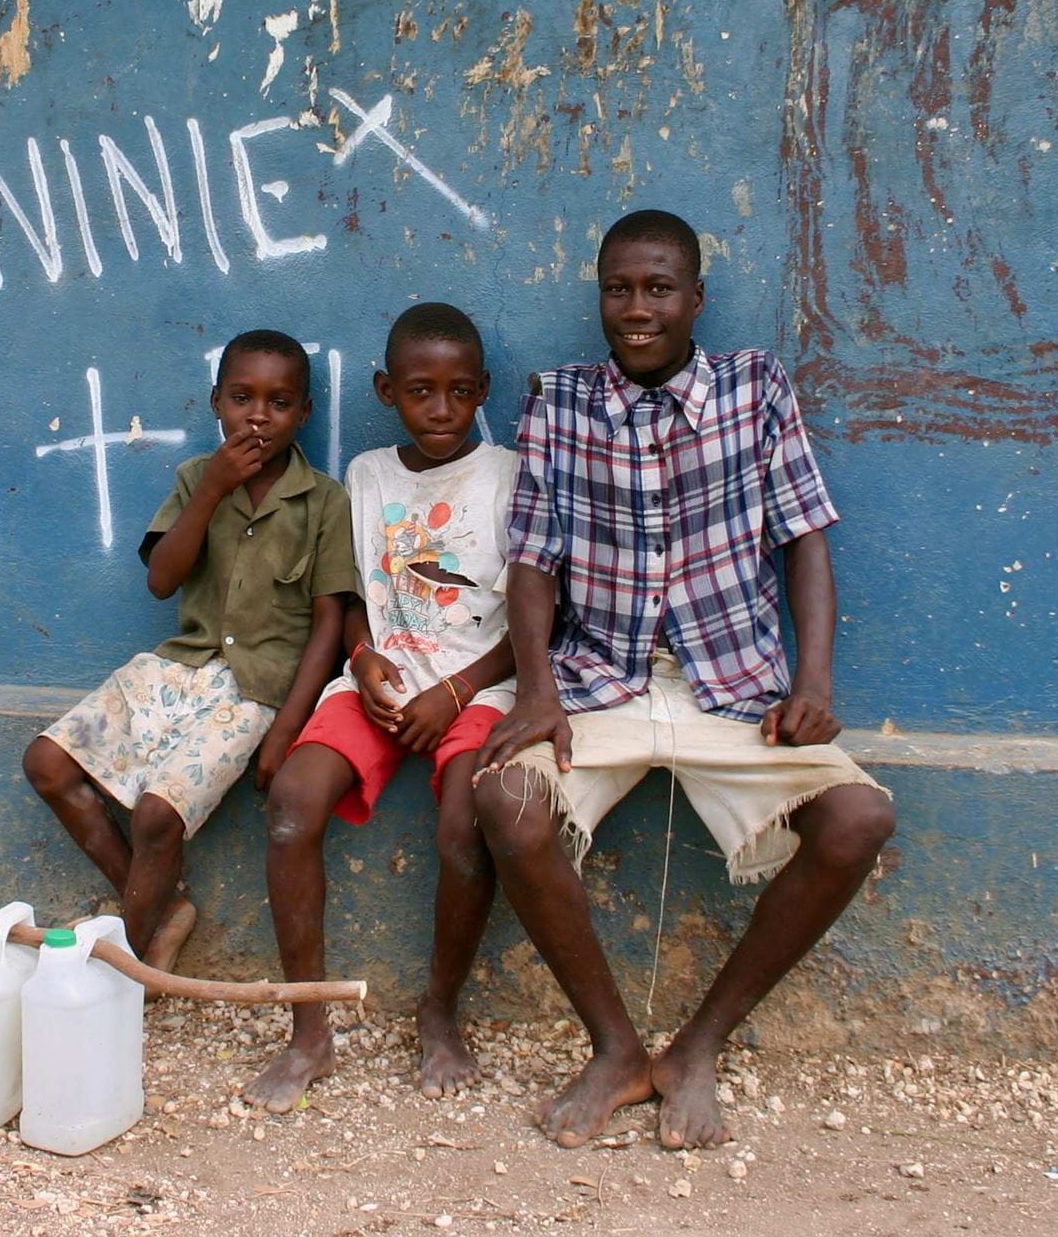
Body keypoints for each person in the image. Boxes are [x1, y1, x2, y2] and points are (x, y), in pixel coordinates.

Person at [475, 209, 897, 1151]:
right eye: (618, 289)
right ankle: (617, 1051)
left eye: (658, 288)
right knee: (506, 803)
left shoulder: (754, 389)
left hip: (734, 687)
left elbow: (805, 537)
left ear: (696, 299)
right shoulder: (560, 399)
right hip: (602, 682)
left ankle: (700, 1046)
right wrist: (537, 692)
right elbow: (534, 559)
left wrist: (813, 680)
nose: (637, 308)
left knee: (859, 819)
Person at [244, 303, 517, 1112]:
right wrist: (362, 660)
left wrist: (458, 690)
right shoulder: (366, 477)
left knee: (467, 823)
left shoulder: (507, 475)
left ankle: (439, 1010)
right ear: (385, 390)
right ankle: (308, 1028)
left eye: (460, 392)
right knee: (293, 805)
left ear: (483, 393)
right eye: (421, 391)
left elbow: (540, 616)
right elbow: (353, 594)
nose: (440, 410)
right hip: (380, 682)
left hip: (477, 685)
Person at [24, 329, 354, 969]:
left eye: (279, 402)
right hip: (179, 664)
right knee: (47, 763)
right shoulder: (195, 479)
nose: (258, 415)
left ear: (304, 413)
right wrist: (212, 491)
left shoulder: (324, 501)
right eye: (242, 397)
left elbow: (328, 623)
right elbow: (161, 580)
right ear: (216, 403)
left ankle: (125, 963)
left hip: (256, 689)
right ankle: (161, 906)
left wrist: (288, 728)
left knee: (156, 819)